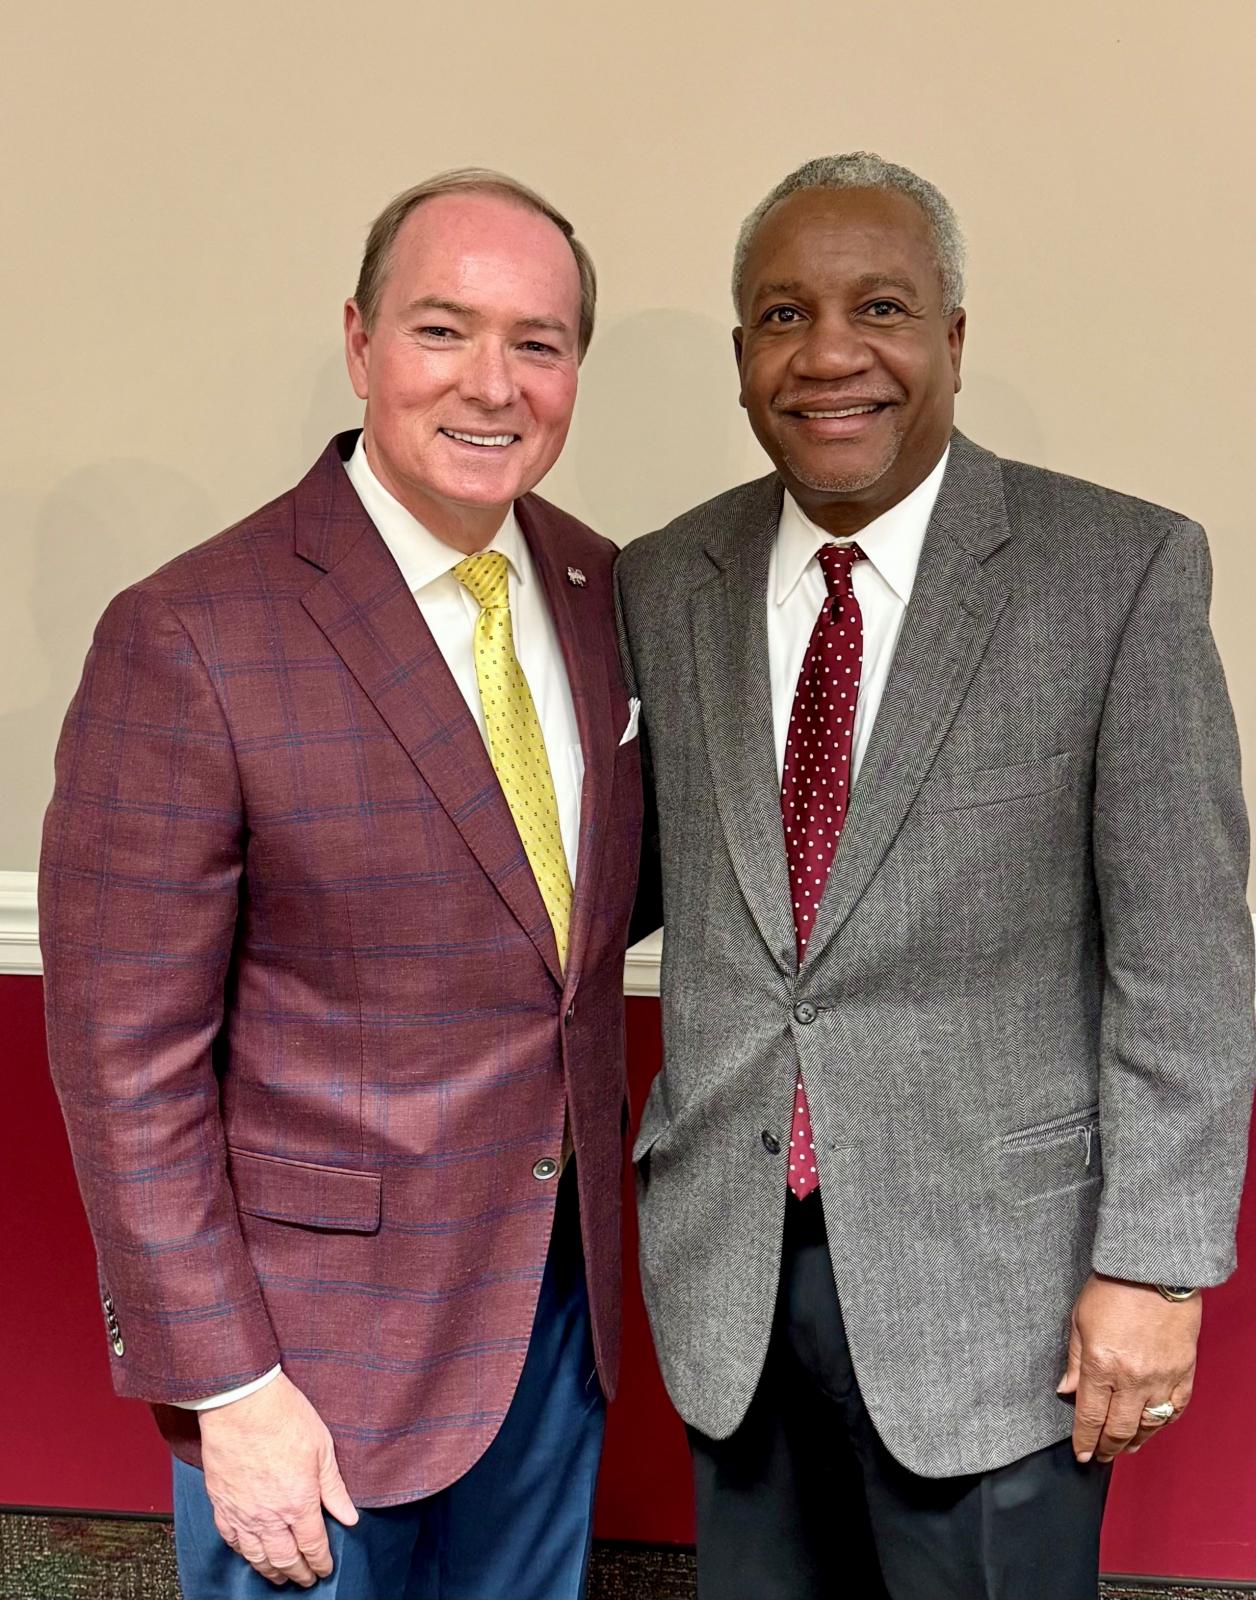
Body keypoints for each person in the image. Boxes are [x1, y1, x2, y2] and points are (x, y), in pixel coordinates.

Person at [615, 152, 1254, 1599]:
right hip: (732, 1287)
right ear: (740, 359)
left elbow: (1190, 960)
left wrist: (1155, 1273)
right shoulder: (665, 581)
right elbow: (628, 885)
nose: (830, 353)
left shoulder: (1119, 571)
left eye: (881, 308)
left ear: (953, 339)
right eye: (784, 316)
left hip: (1002, 1302)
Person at [41, 168, 643, 1599]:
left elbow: (575, 918)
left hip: (555, 1320)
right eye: (445, 331)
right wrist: (225, 1381)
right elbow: (126, 1062)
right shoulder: (190, 632)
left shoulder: (603, 593)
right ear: (362, 339)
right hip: (308, 1363)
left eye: (540, 342)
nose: (493, 382)